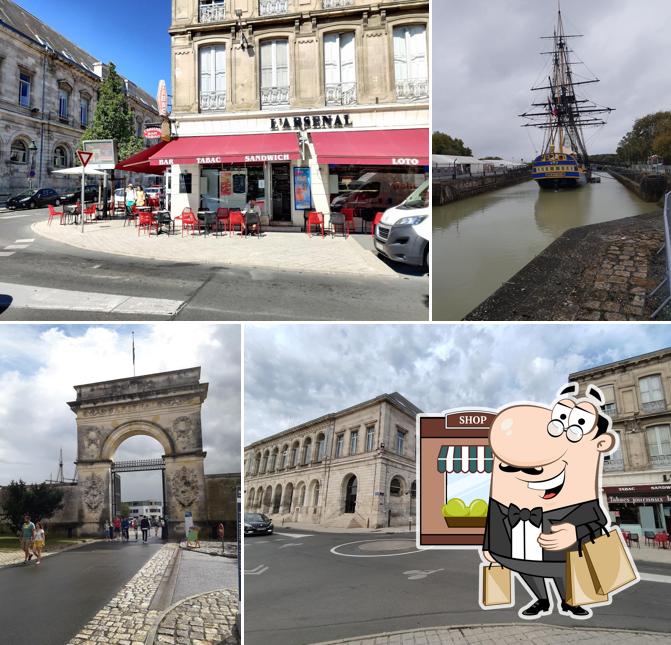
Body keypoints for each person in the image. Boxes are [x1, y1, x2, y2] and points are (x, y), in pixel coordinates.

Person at [482, 383, 619, 620]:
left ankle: (569, 601)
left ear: (601, 443)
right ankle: (541, 599)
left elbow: (596, 519)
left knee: (562, 570)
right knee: (527, 570)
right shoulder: (504, 498)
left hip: (561, 553)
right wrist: (488, 546)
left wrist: (575, 532)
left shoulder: (580, 500)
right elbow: (494, 516)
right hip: (518, 549)